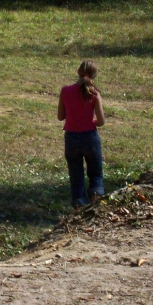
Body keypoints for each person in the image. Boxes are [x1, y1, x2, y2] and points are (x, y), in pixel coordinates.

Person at [58, 60, 106, 208]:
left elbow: (60, 116)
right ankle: (96, 200)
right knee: (95, 173)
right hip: (90, 136)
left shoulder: (65, 91)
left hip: (71, 137)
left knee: (76, 174)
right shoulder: (94, 93)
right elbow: (101, 121)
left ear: (78, 72)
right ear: (94, 75)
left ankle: (79, 205)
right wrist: (92, 121)